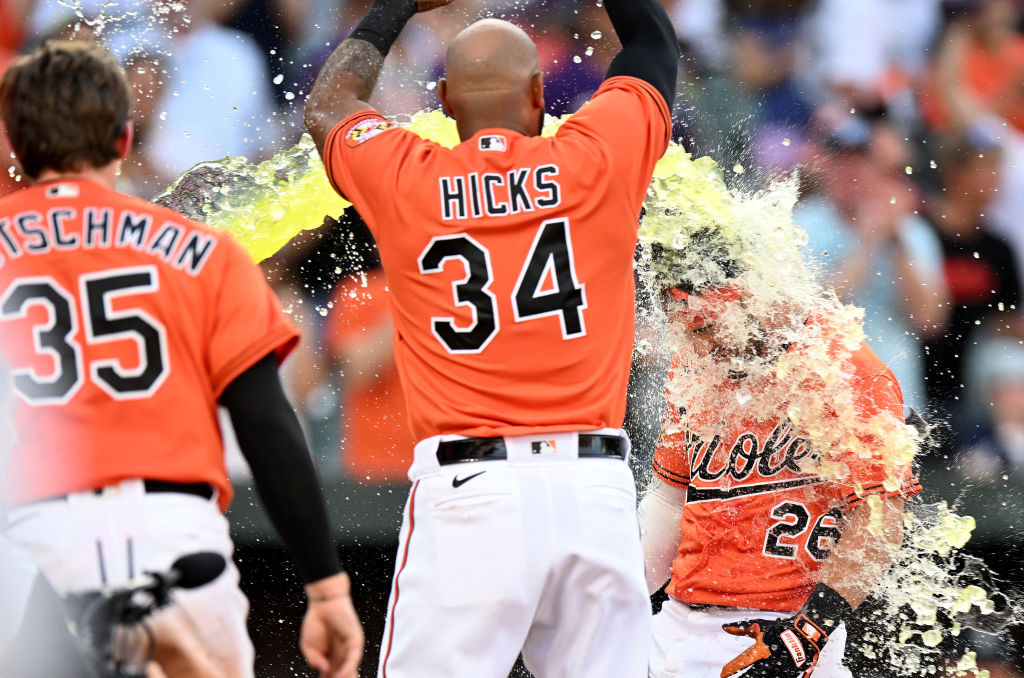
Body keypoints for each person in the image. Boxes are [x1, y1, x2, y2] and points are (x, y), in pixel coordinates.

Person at [305, 0, 678, 674]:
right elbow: (653, 44)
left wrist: (399, 8)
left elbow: (329, 104)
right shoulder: (599, 153)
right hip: (592, 489)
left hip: (471, 493)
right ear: (540, 93)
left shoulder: (405, 174)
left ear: (445, 101)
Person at [0, 42, 363, 678]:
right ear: (122, 140)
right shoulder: (201, 251)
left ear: (18, 146)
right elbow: (267, 425)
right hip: (174, 534)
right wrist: (325, 584)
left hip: (34, 541)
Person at [639, 250, 922, 678]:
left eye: (707, 328)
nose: (699, 347)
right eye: (686, 333)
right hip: (673, 627)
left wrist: (806, 633)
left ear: (753, 296)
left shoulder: (842, 366)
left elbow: (881, 525)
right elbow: (669, 500)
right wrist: (610, 602)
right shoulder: (693, 362)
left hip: (780, 632)